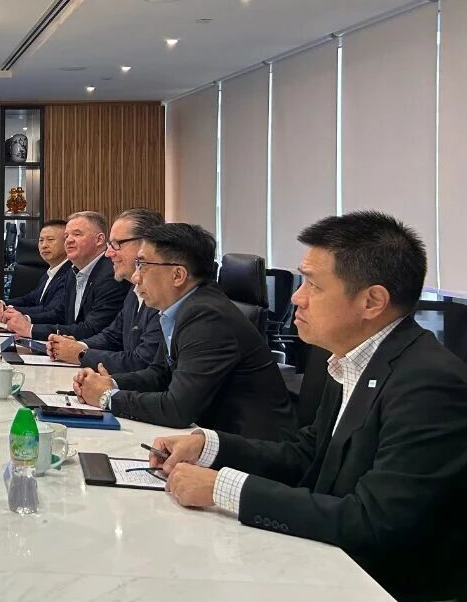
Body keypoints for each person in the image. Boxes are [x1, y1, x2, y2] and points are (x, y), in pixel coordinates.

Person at [149, 212, 467, 602]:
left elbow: (374, 521)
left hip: (380, 585)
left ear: (372, 301)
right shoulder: (349, 357)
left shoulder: (429, 384)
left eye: (313, 285)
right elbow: (309, 454)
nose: (296, 298)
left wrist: (223, 488)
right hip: (327, 561)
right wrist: (209, 446)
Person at [73, 223, 295, 440]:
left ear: (178, 275)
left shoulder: (207, 317)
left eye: (143, 265)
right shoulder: (181, 308)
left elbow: (178, 409)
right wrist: (110, 383)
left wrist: (107, 397)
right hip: (206, 434)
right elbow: (159, 374)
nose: (136, 277)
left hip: (250, 447)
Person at [47, 208, 165, 372]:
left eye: (117, 244)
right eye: (110, 245)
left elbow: (142, 362)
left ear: (146, 245)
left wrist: (80, 354)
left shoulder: (163, 295)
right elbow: (112, 335)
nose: (108, 253)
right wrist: (78, 346)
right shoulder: (134, 289)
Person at [0, 211, 129, 341]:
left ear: (99, 240)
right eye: (66, 236)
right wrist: (25, 320)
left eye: (77, 234)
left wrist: (31, 329)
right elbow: (60, 314)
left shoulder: (111, 275)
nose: (68, 240)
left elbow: (92, 329)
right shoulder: (73, 272)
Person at [0, 219, 69, 320]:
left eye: (50, 240)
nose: (44, 245)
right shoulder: (50, 272)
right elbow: (29, 299)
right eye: (41, 240)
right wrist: (1, 303)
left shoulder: (70, 274)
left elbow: (50, 311)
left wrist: (5, 310)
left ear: (66, 243)